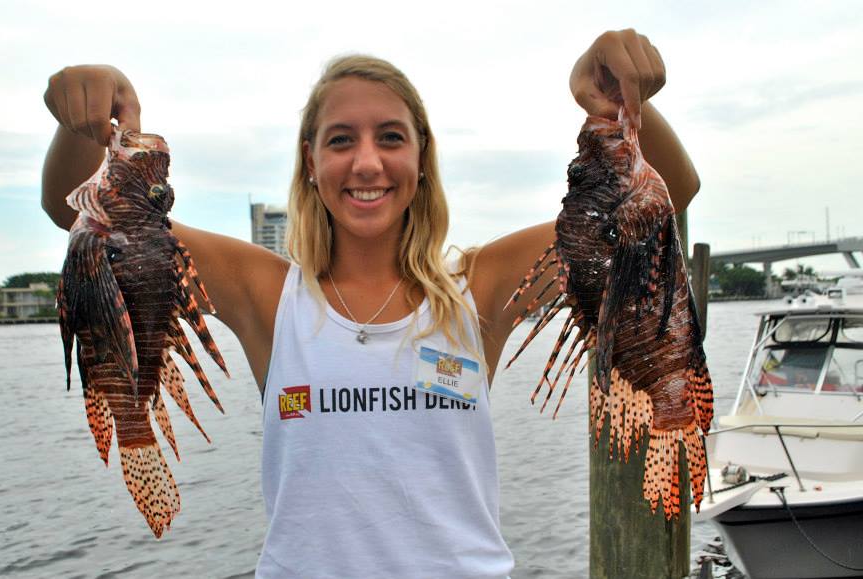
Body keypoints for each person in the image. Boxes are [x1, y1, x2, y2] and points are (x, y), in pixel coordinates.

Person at [42, 29, 699, 579]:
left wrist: (619, 105)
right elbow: (87, 218)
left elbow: (661, 203)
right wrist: (93, 120)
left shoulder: (482, 288)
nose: (366, 162)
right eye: (340, 140)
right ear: (309, 162)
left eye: (389, 137)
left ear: (420, 157)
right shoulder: (268, 294)